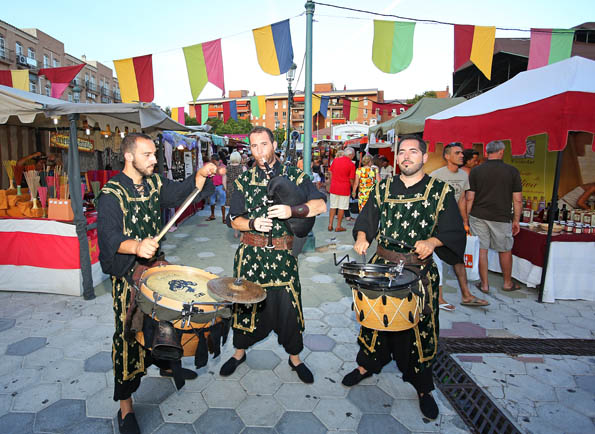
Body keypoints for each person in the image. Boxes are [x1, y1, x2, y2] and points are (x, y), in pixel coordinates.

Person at [97, 133, 218, 434]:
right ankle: (125, 407)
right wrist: (136, 246)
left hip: (155, 269)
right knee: (127, 335)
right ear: (129, 156)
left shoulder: (153, 183)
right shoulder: (112, 193)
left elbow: (179, 194)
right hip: (127, 275)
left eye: (154, 154)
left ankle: (166, 363)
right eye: (148, 154)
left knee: (163, 321)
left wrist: (200, 175)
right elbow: (109, 238)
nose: (154, 159)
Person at [342, 135, 466, 421]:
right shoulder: (383, 187)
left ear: (424, 157)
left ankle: (423, 386)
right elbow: (368, 218)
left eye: (413, 152)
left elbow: (453, 230)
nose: (406, 156)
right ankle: (366, 365)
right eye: (401, 152)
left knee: (420, 329)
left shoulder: (440, 190)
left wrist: (433, 242)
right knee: (373, 322)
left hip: (418, 271)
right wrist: (362, 236)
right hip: (382, 267)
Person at [222, 126, 326, 383]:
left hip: (282, 256)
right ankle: (239, 353)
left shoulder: (295, 176)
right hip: (251, 256)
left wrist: (294, 211)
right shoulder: (243, 181)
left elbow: (321, 204)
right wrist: (252, 223)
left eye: (264, 144)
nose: (259, 152)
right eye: (254, 146)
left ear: (274, 144)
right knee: (245, 305)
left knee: (289, 308)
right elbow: (233, 219)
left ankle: (295, 358)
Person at [430, 143, 489, 310]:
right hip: (437, 224)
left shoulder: (464, 175)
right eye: (457, 153)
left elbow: (462, 199)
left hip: (454, 222)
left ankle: (466, 295)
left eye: (462, 153)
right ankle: (439, 298)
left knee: (458, 258)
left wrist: (464, 222)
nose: (461, 156)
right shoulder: (436, 176)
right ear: (447, 156)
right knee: (436, 261)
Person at [466, 140, 523, 293]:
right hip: (501, 217)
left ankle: (484, 285)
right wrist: (516, 220)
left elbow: (470, 197)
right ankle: (507, 283)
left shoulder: (476, 171)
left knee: (482, 250)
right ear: (501, 152)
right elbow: (517, 199)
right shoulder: (512, 171)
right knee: (505, 250)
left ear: (487, 152)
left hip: (478, 215)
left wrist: (466, 218)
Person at [328, 147, 355, 232]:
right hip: (344, 188)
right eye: (353, 155)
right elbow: (351, 179)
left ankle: (330, 224)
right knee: (341, 208)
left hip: (334, 187)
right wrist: (353, 188)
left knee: (332, 206)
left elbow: (331, 172)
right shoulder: (351, 164)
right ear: (350, 155)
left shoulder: (336, 160)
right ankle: (338, 226)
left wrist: (333, 181)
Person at [225, 151, 246, 238]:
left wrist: (227, 189)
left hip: (231, 191)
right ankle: (242, 232)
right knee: (242, 211)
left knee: (233, 211)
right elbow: (246, 181)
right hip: (240, 191)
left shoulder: (227, 168)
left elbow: (224, 180)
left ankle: (236, 232)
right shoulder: (243, 168)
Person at [206, 155, 226, 223]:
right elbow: (209, 176)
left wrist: (224, 185)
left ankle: (223, 217)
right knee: (212, 201)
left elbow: (225, 176)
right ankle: (213, 215)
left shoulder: (223, 166)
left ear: (214, 160)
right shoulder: (212, 166)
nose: (211, 161)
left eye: (211, 160)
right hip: (214, 185)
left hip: (220, 186)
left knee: (222, 202)